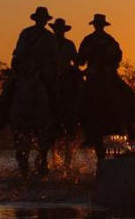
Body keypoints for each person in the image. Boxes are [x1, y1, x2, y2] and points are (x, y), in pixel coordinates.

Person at [77, 14, 135, 160]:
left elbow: (119, 56)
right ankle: (85, 130)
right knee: (80, 98)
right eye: (97, 24)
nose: (99, 26)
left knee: (128, 93)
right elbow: (81, 60)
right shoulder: (87, 40)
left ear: (103, 26)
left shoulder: (110, 40)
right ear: (94, 25)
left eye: (100, 24)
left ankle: (130, 126)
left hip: (110, 73)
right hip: (92, 75)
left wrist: (111, 64)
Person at [0, 7, 59, 129]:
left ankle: (56, 119)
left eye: (43, 19)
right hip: (25, 70)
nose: (42, 21)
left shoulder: (50, 37)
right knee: (8, 88)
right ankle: (2, 116)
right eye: (40, 19)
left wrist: (49, 69)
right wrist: (22, 65)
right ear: (36, 19)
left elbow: (54, 57)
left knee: (53, 92)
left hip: (43, 71)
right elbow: (19, 51)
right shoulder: (26, 33)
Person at [48, 18, 81, 171]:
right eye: (57, 29)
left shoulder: (69, 45)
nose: (59, 31)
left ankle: (80, 118)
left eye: (61, 29)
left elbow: (76, 60)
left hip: (65, 78)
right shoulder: (46, 42)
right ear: (54, 29)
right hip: (48, 76)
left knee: (81, 92)